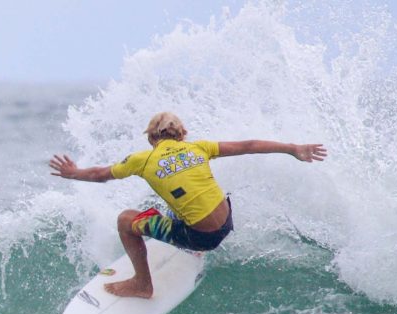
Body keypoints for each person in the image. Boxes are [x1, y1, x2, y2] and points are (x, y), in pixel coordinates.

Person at [49, 112, 327, 299]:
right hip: (226, 223)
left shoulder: (143, 160)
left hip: (201, 238)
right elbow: (250, 144)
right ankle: (190, 249)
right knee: (183, 198)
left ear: (151, 139)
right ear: (182, 134)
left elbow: (100, 176)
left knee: (125, 220)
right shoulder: (199, 148)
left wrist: (73, 173)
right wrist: (292, 148)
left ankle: (142, 284)